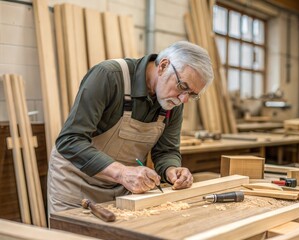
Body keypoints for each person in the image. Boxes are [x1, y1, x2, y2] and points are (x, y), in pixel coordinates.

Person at [47, 41, 214, 214]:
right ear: (163, 66)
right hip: (76, 184)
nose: (184, 99)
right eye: (182, 86)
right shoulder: (109, 76)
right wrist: (121, 172)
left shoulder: (174, 101)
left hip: (122, 187)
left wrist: (172, 170)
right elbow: (70, 140)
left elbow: (166, 151)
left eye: (192, 95)